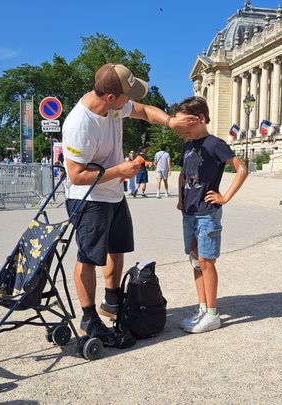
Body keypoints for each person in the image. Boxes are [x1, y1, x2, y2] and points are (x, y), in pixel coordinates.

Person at [62, 63, 197, 343]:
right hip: (88, 199)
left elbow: (145, 111)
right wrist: (119, 172)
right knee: (88, 258)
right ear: (111, 97)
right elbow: (75, 176)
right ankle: (88, 318)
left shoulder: (114, 106)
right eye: (127, 95)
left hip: (114, 195)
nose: (131, 101)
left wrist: (170, 122)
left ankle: (112, 302)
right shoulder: (79, 124)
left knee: (117, 249)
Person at [173, 96, 248, 333]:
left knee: (206, 261)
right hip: (190, 212)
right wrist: (180, 198)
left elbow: (242, 169)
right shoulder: (187, 146)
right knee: (196, 261)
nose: (181, 128)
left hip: (206, 213)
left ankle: (213, 314)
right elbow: (183, 174)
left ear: (201, 119)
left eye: (186, 123)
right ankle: (203, 308)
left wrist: (224, 197)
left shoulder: (215, 144)